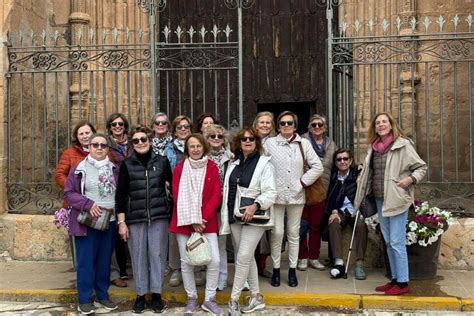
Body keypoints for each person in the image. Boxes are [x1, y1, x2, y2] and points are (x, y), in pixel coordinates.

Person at [354, 112, 427, 295]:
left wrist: (409, 180)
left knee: (397, 242)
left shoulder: (403, 145)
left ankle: (403, 283)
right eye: (378, 122)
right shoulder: (374, 148)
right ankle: (394, 279)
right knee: (388, 242)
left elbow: (421, 167)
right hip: (380, 199)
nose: (381, 125)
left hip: (396, 198)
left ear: (391, 124)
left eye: (384, 121)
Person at [116, 125, 172, 313]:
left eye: (143, 139)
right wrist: (121, 222)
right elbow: (121, 195)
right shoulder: (127, 164)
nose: (140, 143)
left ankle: (156, 294)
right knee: (138, 256)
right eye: (136, 140)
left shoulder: (162, 162)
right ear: (132, 143)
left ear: (150, 140)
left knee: (157, 255)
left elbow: (171, 189)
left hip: (158, 217)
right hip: (135, 218)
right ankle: (140, 295)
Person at [221, 127, 277, 315]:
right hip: (235, 215)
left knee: (243, 256)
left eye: (251, 138)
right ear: (238, 142)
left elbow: (271, 192)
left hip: (255, 216)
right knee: (247, 256)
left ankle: (233, 300)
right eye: (244, 138)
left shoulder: (264, 163)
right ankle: (256, 297)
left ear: (256, 142)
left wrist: (255, 205)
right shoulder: (233, 163)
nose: (247, 141)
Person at [264, 111, 324, 287]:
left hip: (297, 196)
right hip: (276, 196)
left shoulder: (303, 144)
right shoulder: (270, 143)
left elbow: (317, 167)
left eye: (290, 123)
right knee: (277, 233)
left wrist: (302, 183)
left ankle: (292, 270)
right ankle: (275, 269)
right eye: (282, 123)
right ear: (278, 126)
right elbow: (262, 165)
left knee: (294, 233)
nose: (286, 126)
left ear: (295, 126)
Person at [64, 133, 118, 314]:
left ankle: (102, 295)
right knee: (86, 262)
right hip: (87, 223)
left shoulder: (113, 168)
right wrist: (88, 205)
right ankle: (85, 299)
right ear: (89, 147)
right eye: (96, 145)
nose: (100, 148)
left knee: (104, 262)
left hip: (109, 222)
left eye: (103, 145)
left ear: (108, 149)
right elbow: (69, 193)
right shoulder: (79, 168)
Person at [169, 134, 223, 315]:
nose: (195, 149)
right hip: (184, 220)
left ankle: (209, 299)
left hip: (206, 221)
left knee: (214, 260)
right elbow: (177, 195)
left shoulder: (212, 167)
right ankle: (191, 298)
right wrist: (193, 220)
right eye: (191, 146)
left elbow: (217, 195)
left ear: (204, 147)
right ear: (187, 149)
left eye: (199, 146)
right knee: (187, 261)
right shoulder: (179, 168)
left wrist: (202, 219)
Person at [298, 114, 337, 271]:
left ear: (325, 127)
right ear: (309, 126)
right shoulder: (302, 141)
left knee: (315, 225)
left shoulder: (331, 144)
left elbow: (333, 164)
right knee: (302, 225)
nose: (317, 128)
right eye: (314, 125)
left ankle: (314, 257)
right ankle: (302, 256)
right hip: (303, 187)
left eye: (320, 125)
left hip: (322, 189)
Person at [325, 149, 368, 279]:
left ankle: (359, 264)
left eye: (345, 159)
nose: (342, 161)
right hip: (340, 212)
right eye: (339, 159)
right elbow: (330, 198)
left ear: (350, 161)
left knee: (361, 225)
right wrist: (334, 211)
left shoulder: (358, 175)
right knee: (333, 223)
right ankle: (338, 263)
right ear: (335, 162)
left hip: (355, 211)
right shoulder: (333, 177)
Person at [203, 124, 233, 291]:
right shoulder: (201, 157)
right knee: (208, 244)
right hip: (207, 206)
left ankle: (222, 277)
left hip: (224, 206)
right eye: (212, 136)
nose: (216, 139)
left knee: (222, 244)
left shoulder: (231, 157)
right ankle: (209, 276)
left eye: (219, 136)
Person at [105, 113, 132, 287]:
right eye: (114, 124)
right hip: (114, 191)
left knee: (130, 229)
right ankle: (120, 270)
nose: (117, 127)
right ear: (110, 127)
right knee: (117, 232)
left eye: (120, 124)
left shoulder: (132, 143)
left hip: (132, 190)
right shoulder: (105, 145)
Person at [251, 111, 276, 277]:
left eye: (268, 122)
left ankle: (262, 265)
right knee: (252, 230)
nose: (265, 125)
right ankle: (251, 267)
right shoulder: (249, 139)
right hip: (253, 189)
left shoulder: (276, 142)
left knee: (270, 231)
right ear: (256, 124)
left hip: (271, 189)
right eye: (262, 122)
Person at [55, 121, 97, 201]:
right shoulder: (69, 153)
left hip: (99, 199)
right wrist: (73, 188)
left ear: (93, 133)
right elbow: (59, 175)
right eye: (81, 134)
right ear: (77, 137)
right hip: (76, 199)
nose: (85, 136)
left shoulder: (103, 151)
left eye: (87, 133)